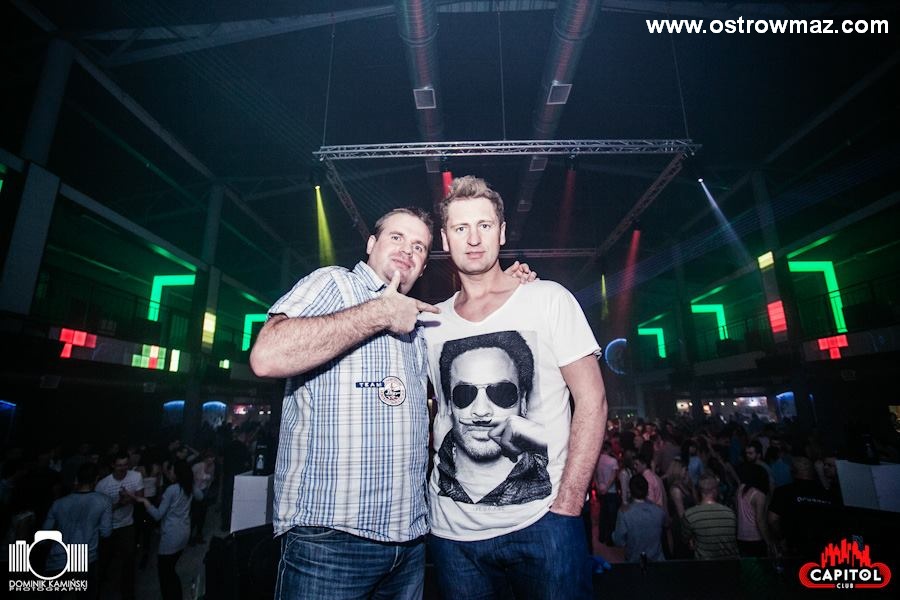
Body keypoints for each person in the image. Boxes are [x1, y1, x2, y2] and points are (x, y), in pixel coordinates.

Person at [250, 206, 533, 599]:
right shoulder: (334, 284)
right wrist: (378, 313)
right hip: (331, 541)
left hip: (409, 542)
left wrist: (505, 285)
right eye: (396, 237)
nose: (407, 250)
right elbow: (266, 356)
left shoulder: (417, 322)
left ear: (424, 265)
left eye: (419, 246)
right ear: (371, 243)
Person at [423, 176, 607, 600]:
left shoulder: (547, 299)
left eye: (484, 225)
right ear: (445, 241)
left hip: (544, 524)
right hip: (452, 536)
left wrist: (568, 505)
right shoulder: (430, 322)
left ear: (502, 233)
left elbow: (593, 401)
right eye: (460, 228)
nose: (473, 239)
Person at [130, 460, 202, 600]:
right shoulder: (189, 486)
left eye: (171, 470)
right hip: (184, 532)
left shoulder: (172, 490)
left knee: (165, 573)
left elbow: (158, 515)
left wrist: (145, 501)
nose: (170, 472)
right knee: (171, 569)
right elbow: (201, 496)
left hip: (171, 535)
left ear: (177, 473)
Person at [42, 462, 112, 599]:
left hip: (57, 560)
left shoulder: (58, 503)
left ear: (76, 479)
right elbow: (106, 532)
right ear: (96, 479)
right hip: (85, 560)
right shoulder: (104, 501)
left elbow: (43, 537)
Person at [95, 451, 143, 600]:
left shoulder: (136, 476)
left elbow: (141, 498)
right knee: (104, 561)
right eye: (119, 465)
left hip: (127, 525)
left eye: (125, 465)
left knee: (129, 560)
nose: (123, 468)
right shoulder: (103, 485)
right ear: (113, 465)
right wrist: (120, 503)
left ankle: (128, 594)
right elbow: (99, 511)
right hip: (108, 527)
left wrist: (130, 499)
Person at [681, 473, 739, 560]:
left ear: (699, 491)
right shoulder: (730, 513)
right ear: (715, 490)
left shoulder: (690, 515)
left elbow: (685, 540)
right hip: (730, 564)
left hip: (706, 565)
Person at [612, 475, 666, 562]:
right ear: (647, 490)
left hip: (635, 562)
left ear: (630, 491)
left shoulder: (624, 514)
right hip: (657, 562)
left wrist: (613, 535)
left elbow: (619, 542)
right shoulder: (659, 511)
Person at [594, 441, 620, 545]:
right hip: (611, 491)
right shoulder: (613, 461)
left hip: (601, 489)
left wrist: (598, 486)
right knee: (611, 517)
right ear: (609, 449)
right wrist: (607, 488)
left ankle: (601, 536)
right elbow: (613, 477)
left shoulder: (597, 459)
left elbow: (594, 475)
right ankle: (610, 540)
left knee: (603, 514)